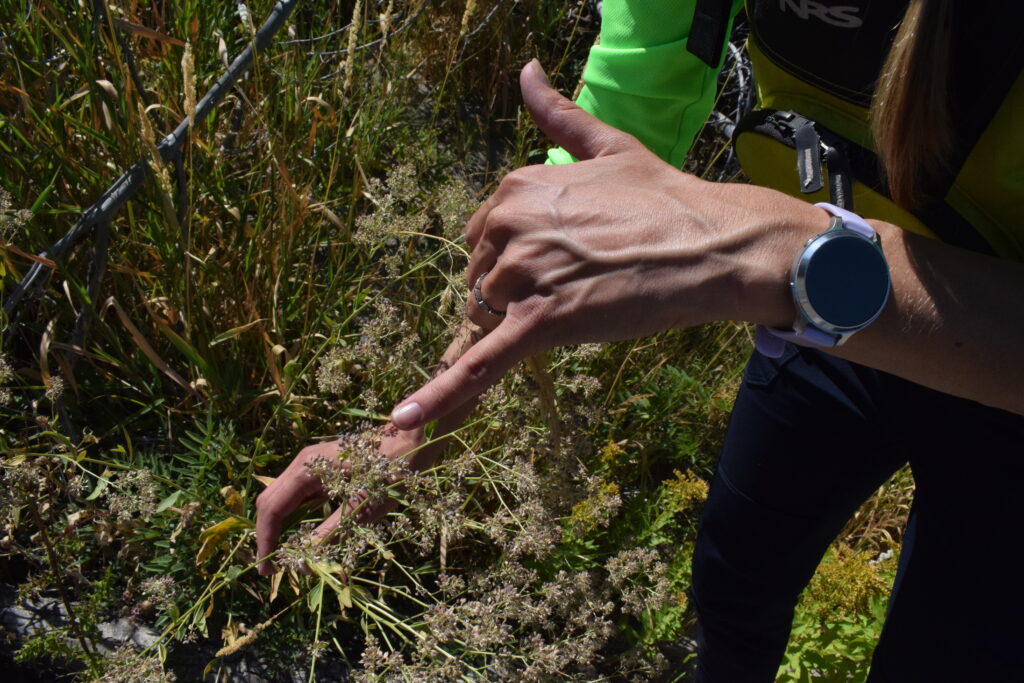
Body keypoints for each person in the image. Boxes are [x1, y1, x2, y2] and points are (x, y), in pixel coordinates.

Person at [257, 0, 1024, 679]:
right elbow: (632, 97)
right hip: (821, 328)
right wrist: (420, 419)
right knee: (733, 580)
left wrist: (780, 253)